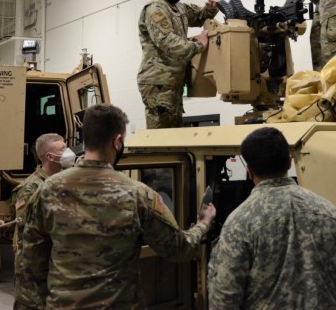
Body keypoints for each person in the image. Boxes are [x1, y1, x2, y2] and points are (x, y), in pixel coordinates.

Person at [22, 103, 216, 309]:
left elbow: (32, 261)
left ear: (85, 139)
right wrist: (203, 223)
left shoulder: (48, 189)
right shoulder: (138, 194)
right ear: (117, 141)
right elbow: (178, 249)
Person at [208, 127, 336, 309]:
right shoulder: (330, 213)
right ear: (289, 162)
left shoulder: (239, 223)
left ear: (249, 171)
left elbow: (224, 300)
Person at [137, 0, 220, 129]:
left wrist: (211, 8)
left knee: (173, 130)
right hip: (158, 81)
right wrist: (198, 45)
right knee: (160, 135)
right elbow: (166, 41)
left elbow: (199, 16)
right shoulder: (155, 9)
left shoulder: (180, 8)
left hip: (173, 80)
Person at [12, 133, 70, 310]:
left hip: (54, 267)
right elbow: (26, 229)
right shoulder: (31, 187)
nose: (68, 152)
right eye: (63, 149)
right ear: (50, 157)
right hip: (33, 270)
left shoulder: (62, 181)